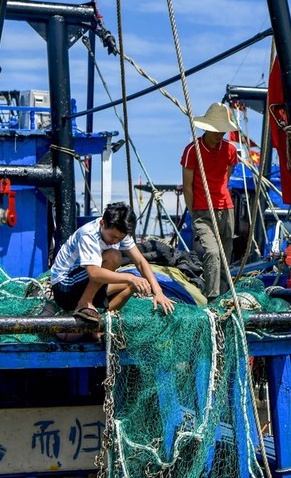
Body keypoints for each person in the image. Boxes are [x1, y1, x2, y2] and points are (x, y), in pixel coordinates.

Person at [50, 202, 175, 319]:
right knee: (114, 256)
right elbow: (93, 272)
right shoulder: (88, 234)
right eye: (113, 237)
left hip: (83, 284)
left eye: (120, 239)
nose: (115, 241)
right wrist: (131, 277)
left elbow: (141, 262)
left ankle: (102, 321)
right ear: (102, 224)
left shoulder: (119, 232)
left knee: (132, 284)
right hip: (65, 286)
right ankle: (85, 303)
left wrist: (158, 292)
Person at [181, 102, 239, 299]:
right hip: (202, 211)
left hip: (226, 209)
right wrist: (194, 213)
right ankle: (213, 298)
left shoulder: (230, 150)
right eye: (216, 130)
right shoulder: (192, 150)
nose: (219, 134)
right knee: (212, 253)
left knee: (225, 257)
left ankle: (223, 297)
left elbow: (226, 177)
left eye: (222, 130)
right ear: (206, 128)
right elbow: (187, 187)